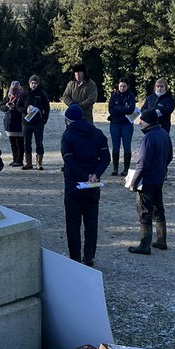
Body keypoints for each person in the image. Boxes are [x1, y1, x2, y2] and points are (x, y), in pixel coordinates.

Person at [60, 103, 111, 266]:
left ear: (68, 120)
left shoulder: (67, 135)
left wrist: (83, 176)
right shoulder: (98, 134)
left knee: (73, 223)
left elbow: (69, 160)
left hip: (74, 184)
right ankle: (89, 256)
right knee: (91, 222)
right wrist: (95, 175)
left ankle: (74, 258)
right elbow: (106, 158)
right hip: (93, 184)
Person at [125, 109, 173, 254]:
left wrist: (134, 182)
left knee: (145, 211)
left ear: (149, 122)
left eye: (142, 120)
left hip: (147, 181)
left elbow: (142, 164)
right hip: (159, 178)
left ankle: (144, 244)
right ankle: (161, 240)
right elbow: (169, 156)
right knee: (159, 209)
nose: (140, 122)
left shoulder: (148, 138)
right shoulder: (164, 134)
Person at [107, 77, 137, 177]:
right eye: (121, 86)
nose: (122, 88)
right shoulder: (114, 96)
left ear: (127, 86)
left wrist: (118, 109)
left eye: (124, 86)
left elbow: (131, 109)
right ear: (118, 86)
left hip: (127, 124)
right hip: (115, 123)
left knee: (127, 146)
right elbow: (110, 110)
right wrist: (124, 109)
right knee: (115, 146)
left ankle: (126, 169)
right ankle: (115, 168)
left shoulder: (131, 96)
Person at [22, 74, 50, 170]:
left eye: (35, 83)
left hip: (38, 123)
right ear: (29, 84)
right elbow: (18, 106)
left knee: (39, 143)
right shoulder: (24, 93)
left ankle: (39, 163)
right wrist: (26, 110)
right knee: (26, 143)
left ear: (38, 84)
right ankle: (28, 163)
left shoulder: (42, 94)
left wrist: (44, 119)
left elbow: (47, 107)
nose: (33, 85)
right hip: (26, 123)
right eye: (32, 83)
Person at [0, 80, 27, 167]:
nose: (14, 92)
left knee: (19, 143)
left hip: (19, 122)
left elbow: (24, 109)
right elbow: (1, 107)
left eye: (15, 89)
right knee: (12, 143)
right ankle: (15, 159)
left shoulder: (23, 96)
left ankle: (19, 160)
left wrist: (15, 107)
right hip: (9, 123)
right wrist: (7, 106)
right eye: (12, 89)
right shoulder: (8, 96)